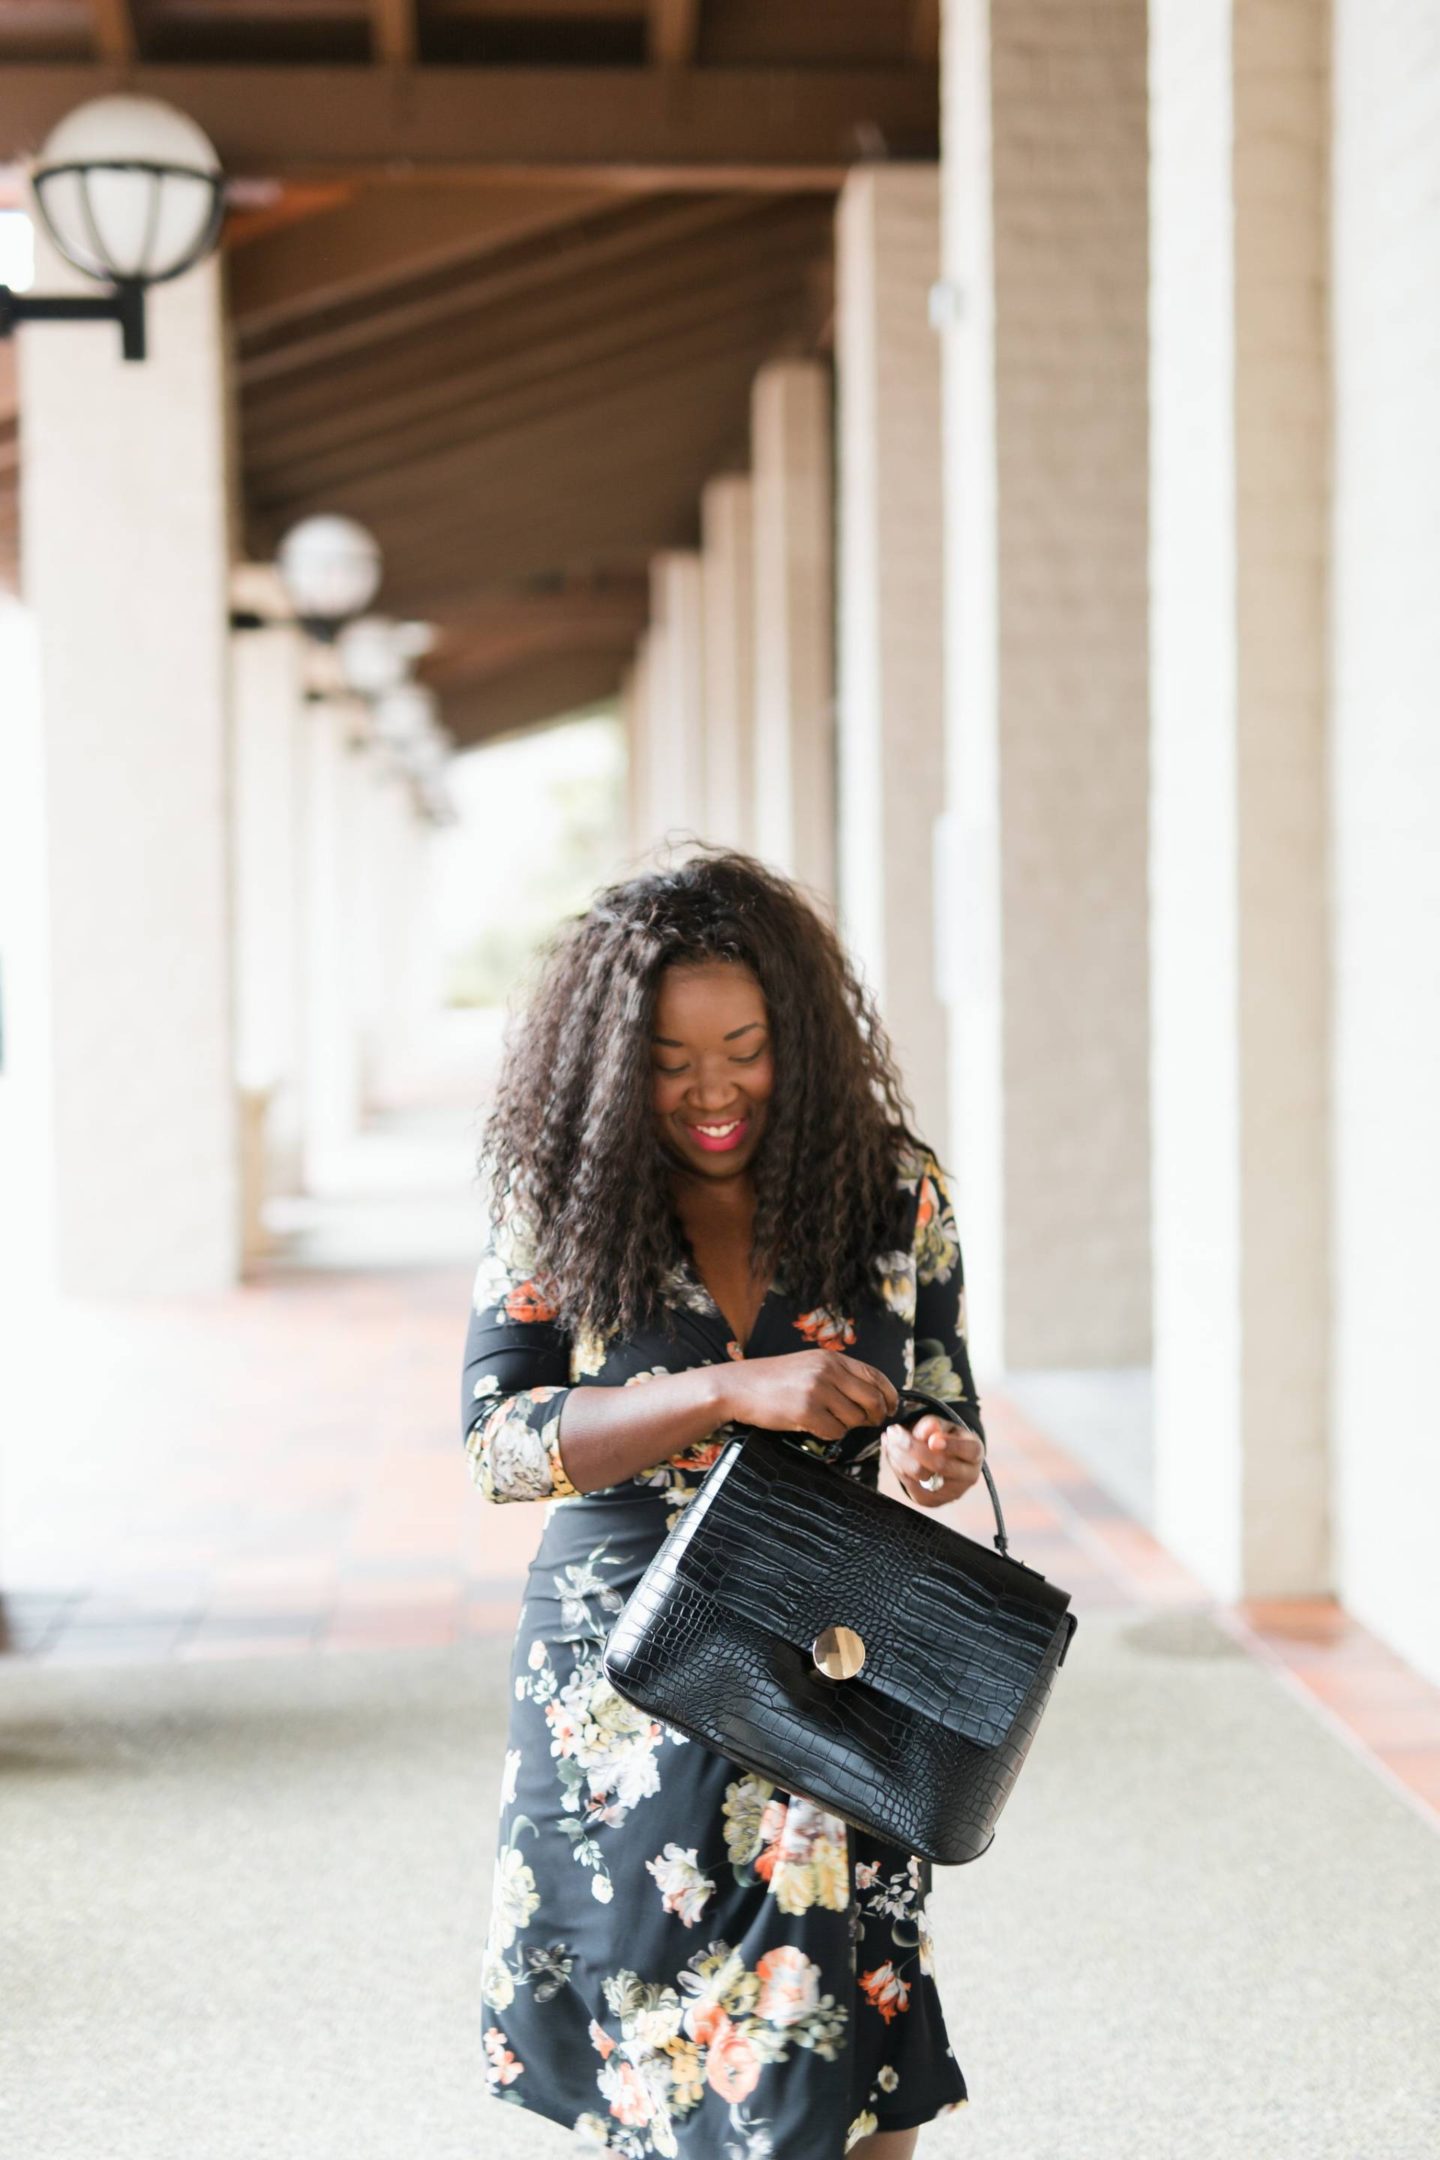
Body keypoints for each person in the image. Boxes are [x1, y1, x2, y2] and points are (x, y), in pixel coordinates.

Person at [460, 848, 988, 2160]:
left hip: (829, 1665)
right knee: (661, 2053)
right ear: (610, 1056)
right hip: (622, 1681)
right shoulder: (563, 1195)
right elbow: (498, 1443)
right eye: (670, 1059)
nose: (712, 1092)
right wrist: (730, 1391)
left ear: (796, 1039)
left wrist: (936, 1450)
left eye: (745, 1050)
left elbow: (940, 1395)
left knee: (848, 2042)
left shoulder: (891, 1191)